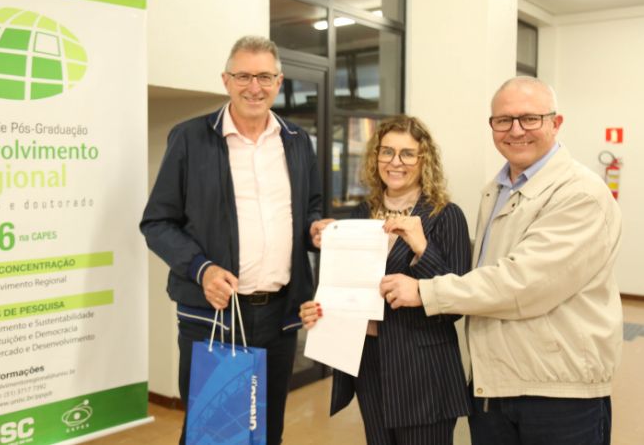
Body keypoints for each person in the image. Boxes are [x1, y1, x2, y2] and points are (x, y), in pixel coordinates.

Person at [381, 76, 623, 445]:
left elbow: (525, 283)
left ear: (556, 123)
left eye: (530, 118)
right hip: (495, 383)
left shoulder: (580, 194)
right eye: (504, 120)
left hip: (557, 392)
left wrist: (425, 291)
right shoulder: (497, 190)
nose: (516, 130)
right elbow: (492, 259)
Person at [140, 36, 328, 445]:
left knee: (265, 432)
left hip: (280, 316)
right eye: (243, 76)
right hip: (214, 315)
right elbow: (157, 222)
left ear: (279, 82)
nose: (254, 87)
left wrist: (315, 229)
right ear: (226, 80)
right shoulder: (190, 138)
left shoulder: (297, 141)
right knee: (212, 434)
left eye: (264, 77)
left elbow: (310, 208)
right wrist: (202, 269)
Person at [300, 115, 472, 445]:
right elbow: (348, 288)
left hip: (423, 369)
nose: (395, 162)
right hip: (368, 362)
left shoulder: (445, 215)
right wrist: (322, 310)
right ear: (376, 156)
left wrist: (421, 247)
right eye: (387, 152)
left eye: (407, 153)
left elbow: (456, 304)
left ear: (424, 160)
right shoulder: (362, 213)